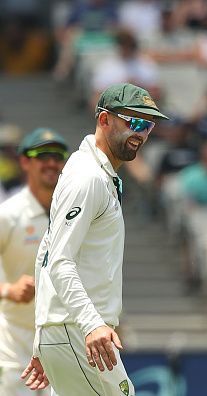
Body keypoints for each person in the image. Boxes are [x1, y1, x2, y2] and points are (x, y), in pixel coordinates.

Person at [21, 83, 168, 395]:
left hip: (67, 331)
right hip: (78, 331)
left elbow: (45, 251)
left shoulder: (93, 173)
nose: (141, 134)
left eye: (148, 125)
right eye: (134, 122)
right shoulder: (88, 178)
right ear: (104, 120)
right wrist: (88, 325)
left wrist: (43, 338)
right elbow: (59, 260)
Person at [0, 128, 69, 396]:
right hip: (13, 348)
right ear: (25, 162)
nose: (51, 162)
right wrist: (9, 290)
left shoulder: (72, 215)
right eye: (42, 155)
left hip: (61, 346)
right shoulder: (8, 215)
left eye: (57, 156)